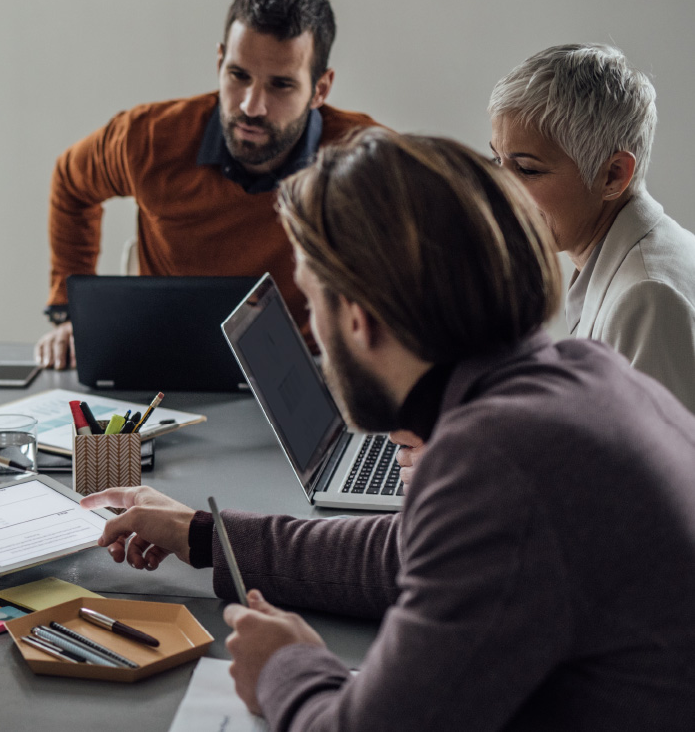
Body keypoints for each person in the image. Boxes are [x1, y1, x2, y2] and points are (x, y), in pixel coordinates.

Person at [81, 128, 695, 730]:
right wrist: (202, 535)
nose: (313, 338)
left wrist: (287, 666)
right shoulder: (581, 376)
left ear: (359, 319)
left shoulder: (499, 460)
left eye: (311, 305)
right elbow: (402, 553)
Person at [36, 0, 377, 368]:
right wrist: (68, 312)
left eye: (280, 85)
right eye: (238, 76)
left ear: (320, 89)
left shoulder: (363, 157)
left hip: (305, 368)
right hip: (165, 365)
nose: (251, 106)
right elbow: (71, 180)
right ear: (219, 62)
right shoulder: (147, 138)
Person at [393, 43, 695, 482]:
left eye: (528, 170)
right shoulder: (616, 255)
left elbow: (651, 494)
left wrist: (472, 473)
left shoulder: (647, 296)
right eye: (497, 160)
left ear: (613, 175)